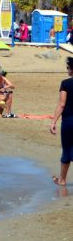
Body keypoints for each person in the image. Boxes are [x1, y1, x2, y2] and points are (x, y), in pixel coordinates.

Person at [50, 56, 73, 186]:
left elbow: (62, 104)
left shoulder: (66, 83)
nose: (67, 70)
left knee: (67, 150)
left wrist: (53, 122)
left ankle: (62, 180)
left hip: (69, 121)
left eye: (68, 67)